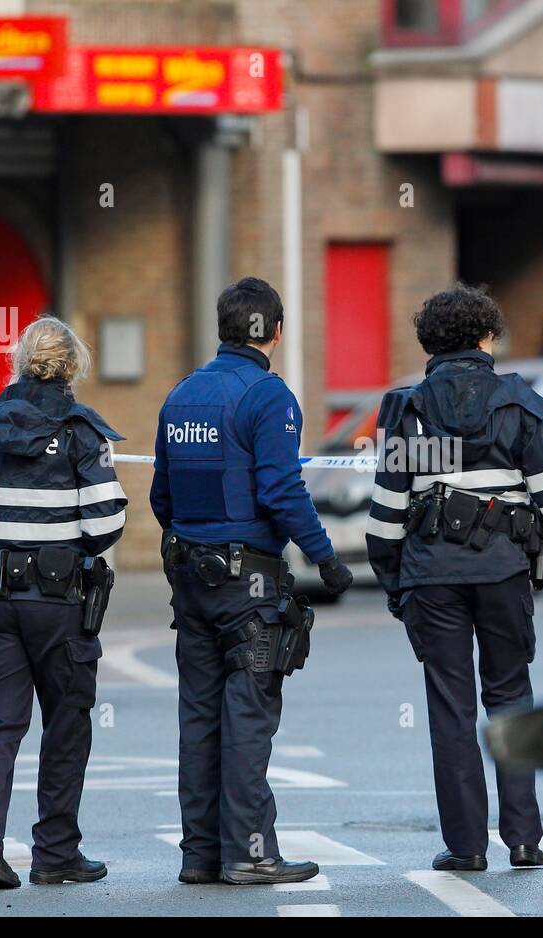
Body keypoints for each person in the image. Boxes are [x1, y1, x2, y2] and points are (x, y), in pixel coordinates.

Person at [366, 283, 543, 872]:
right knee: (512, 697)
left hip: (430, 577)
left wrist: (395, 583)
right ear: (487, 337)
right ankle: (523, 840)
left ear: (429, 342)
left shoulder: (410, 411)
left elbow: (386, 516)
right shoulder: (517, 405)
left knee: (450, 708)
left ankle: (465, 848)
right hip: (504, 573)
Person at [150, 276, 353, 886]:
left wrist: (199, 539)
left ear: (223, 328)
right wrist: (327, 558)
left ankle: (201, 854)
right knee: (248, 715)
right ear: (277, 331)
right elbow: (282, 489)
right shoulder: (269, 396)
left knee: (199, 715)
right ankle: (251, 852)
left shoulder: (181, 396)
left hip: (190, 576)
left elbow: (162, 494)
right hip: (249, 585)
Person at [0, 316, 127, 889]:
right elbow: (107, 523)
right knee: (66, 723)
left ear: (17, 360)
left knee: (0, 726)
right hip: (59, 605)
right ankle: (57, 854)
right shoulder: (83, 433)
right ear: (73, 367)